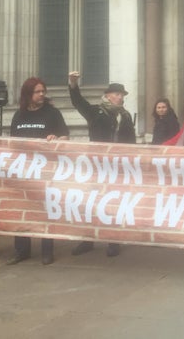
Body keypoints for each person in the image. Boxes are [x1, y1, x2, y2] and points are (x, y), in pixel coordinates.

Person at [68, 71, 135, 257]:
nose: (120, 97)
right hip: (96, 167)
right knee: (91, 203)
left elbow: (130, 143)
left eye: (122, 95)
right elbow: (78, 102)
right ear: (107, 96)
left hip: (117, 168)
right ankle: (88, 239)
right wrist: (73, 84)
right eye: (117, 94)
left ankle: (113, 240)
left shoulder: (126, 116)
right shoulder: (96, 112)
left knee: (113, 204)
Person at [8, 77, 69, 265]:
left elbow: (66, 137)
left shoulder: (52, 113)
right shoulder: (19, 115)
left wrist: (57, 138)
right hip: (23, 171)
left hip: (45, 171)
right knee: (22, 209)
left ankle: (46, 251)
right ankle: (22, 250)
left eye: (43, 91)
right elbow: (12, 143)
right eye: (38, 91)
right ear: (28, 94)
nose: (42, 94)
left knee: (44, 210)